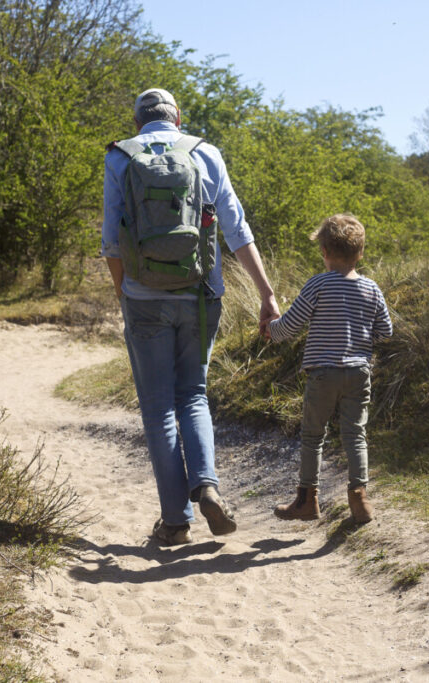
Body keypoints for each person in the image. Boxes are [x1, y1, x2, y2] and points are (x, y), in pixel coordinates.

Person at [102, 88, 279, 545]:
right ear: (177, 117)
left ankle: (176, 522)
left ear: (138, 121)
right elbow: (237, 228)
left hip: (144, 298)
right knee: (193, 395)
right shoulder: (205, 153)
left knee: (159, 406)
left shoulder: (120, 157)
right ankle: (207, 485)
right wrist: (266, 293)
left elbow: (110, 239)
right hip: (201, 295)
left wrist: (126, 295)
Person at [265, 214, 392, 524]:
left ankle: (308, 500)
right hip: (358, 372)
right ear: (360, 252)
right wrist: (364, 336)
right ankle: (359, 497)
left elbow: (290, 326)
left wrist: (271, 329)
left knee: (312, 436)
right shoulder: (372, 289)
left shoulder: (319, 284)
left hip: (323, 372)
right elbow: (386, 331)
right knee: (355, 435)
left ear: (323, 251)